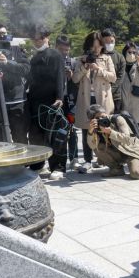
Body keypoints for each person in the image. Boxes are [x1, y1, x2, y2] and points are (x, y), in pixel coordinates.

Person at [25, 25, 66, 179]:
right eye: (34, 39)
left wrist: (60, 97)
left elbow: (60, 77)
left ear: (47, 37)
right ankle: (38, 165)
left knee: (54, 135)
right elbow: (29, 80)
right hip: (35, 101)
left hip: (52, 101)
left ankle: (58, 167)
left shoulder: (56, 55)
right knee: (35, 135)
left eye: (40, 38)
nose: (37, 41)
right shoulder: (34, 58)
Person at [72, 31, 116, 173]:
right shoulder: (81, 59)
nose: (96, 49)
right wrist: (85, 67)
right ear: (88, 46)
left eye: (98, 46)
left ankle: (103, 158)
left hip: (102, 98)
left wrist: (99, 69)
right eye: (93, 46)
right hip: (86, 98)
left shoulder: (107, 59)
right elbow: (75, 79)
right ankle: (87, 160)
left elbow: (113, 77)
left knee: (103, 128)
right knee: (87, 129)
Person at [86, 104, 139, 179]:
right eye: (97, 118)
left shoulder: (117, 119)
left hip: (131, 151)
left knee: (136, 174)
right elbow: (92, 146)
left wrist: (111, 132)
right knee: (97, 148)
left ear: (106, 113)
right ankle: (116, 169)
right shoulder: (95, 127)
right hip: (117, 152)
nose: (101, 119)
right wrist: (90, 131)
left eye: (103, 116)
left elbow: (127, 139)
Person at [119, 41, 139, 148]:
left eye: (134, 52)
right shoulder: (120, 66)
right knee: (128, 129)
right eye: (129, 52)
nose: (132, 54)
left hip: (138, 103)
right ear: (124, 52)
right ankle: (131, 150)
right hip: (125, 103)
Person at [55, 35, 79, 170]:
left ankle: (74, 158)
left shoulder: (73, 62)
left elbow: (79, 83)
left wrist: (72, 76)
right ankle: (59, 160)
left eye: (67, 50)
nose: (64, 53)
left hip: (70, 102)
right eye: (61, 50)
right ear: (55, 47)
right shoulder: (52, 61)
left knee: (72, 129)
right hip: (57, 102)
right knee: (59, 131)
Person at [102, 28, 126, 113]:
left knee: (115, 119)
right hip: (100, 94)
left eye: (111, 41)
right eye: (106, 41)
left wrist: (110, 91)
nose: (109, 44)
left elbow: (120, 78)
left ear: (115, 40)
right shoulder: (98, 55)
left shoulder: (120, 57)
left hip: (116, 96)